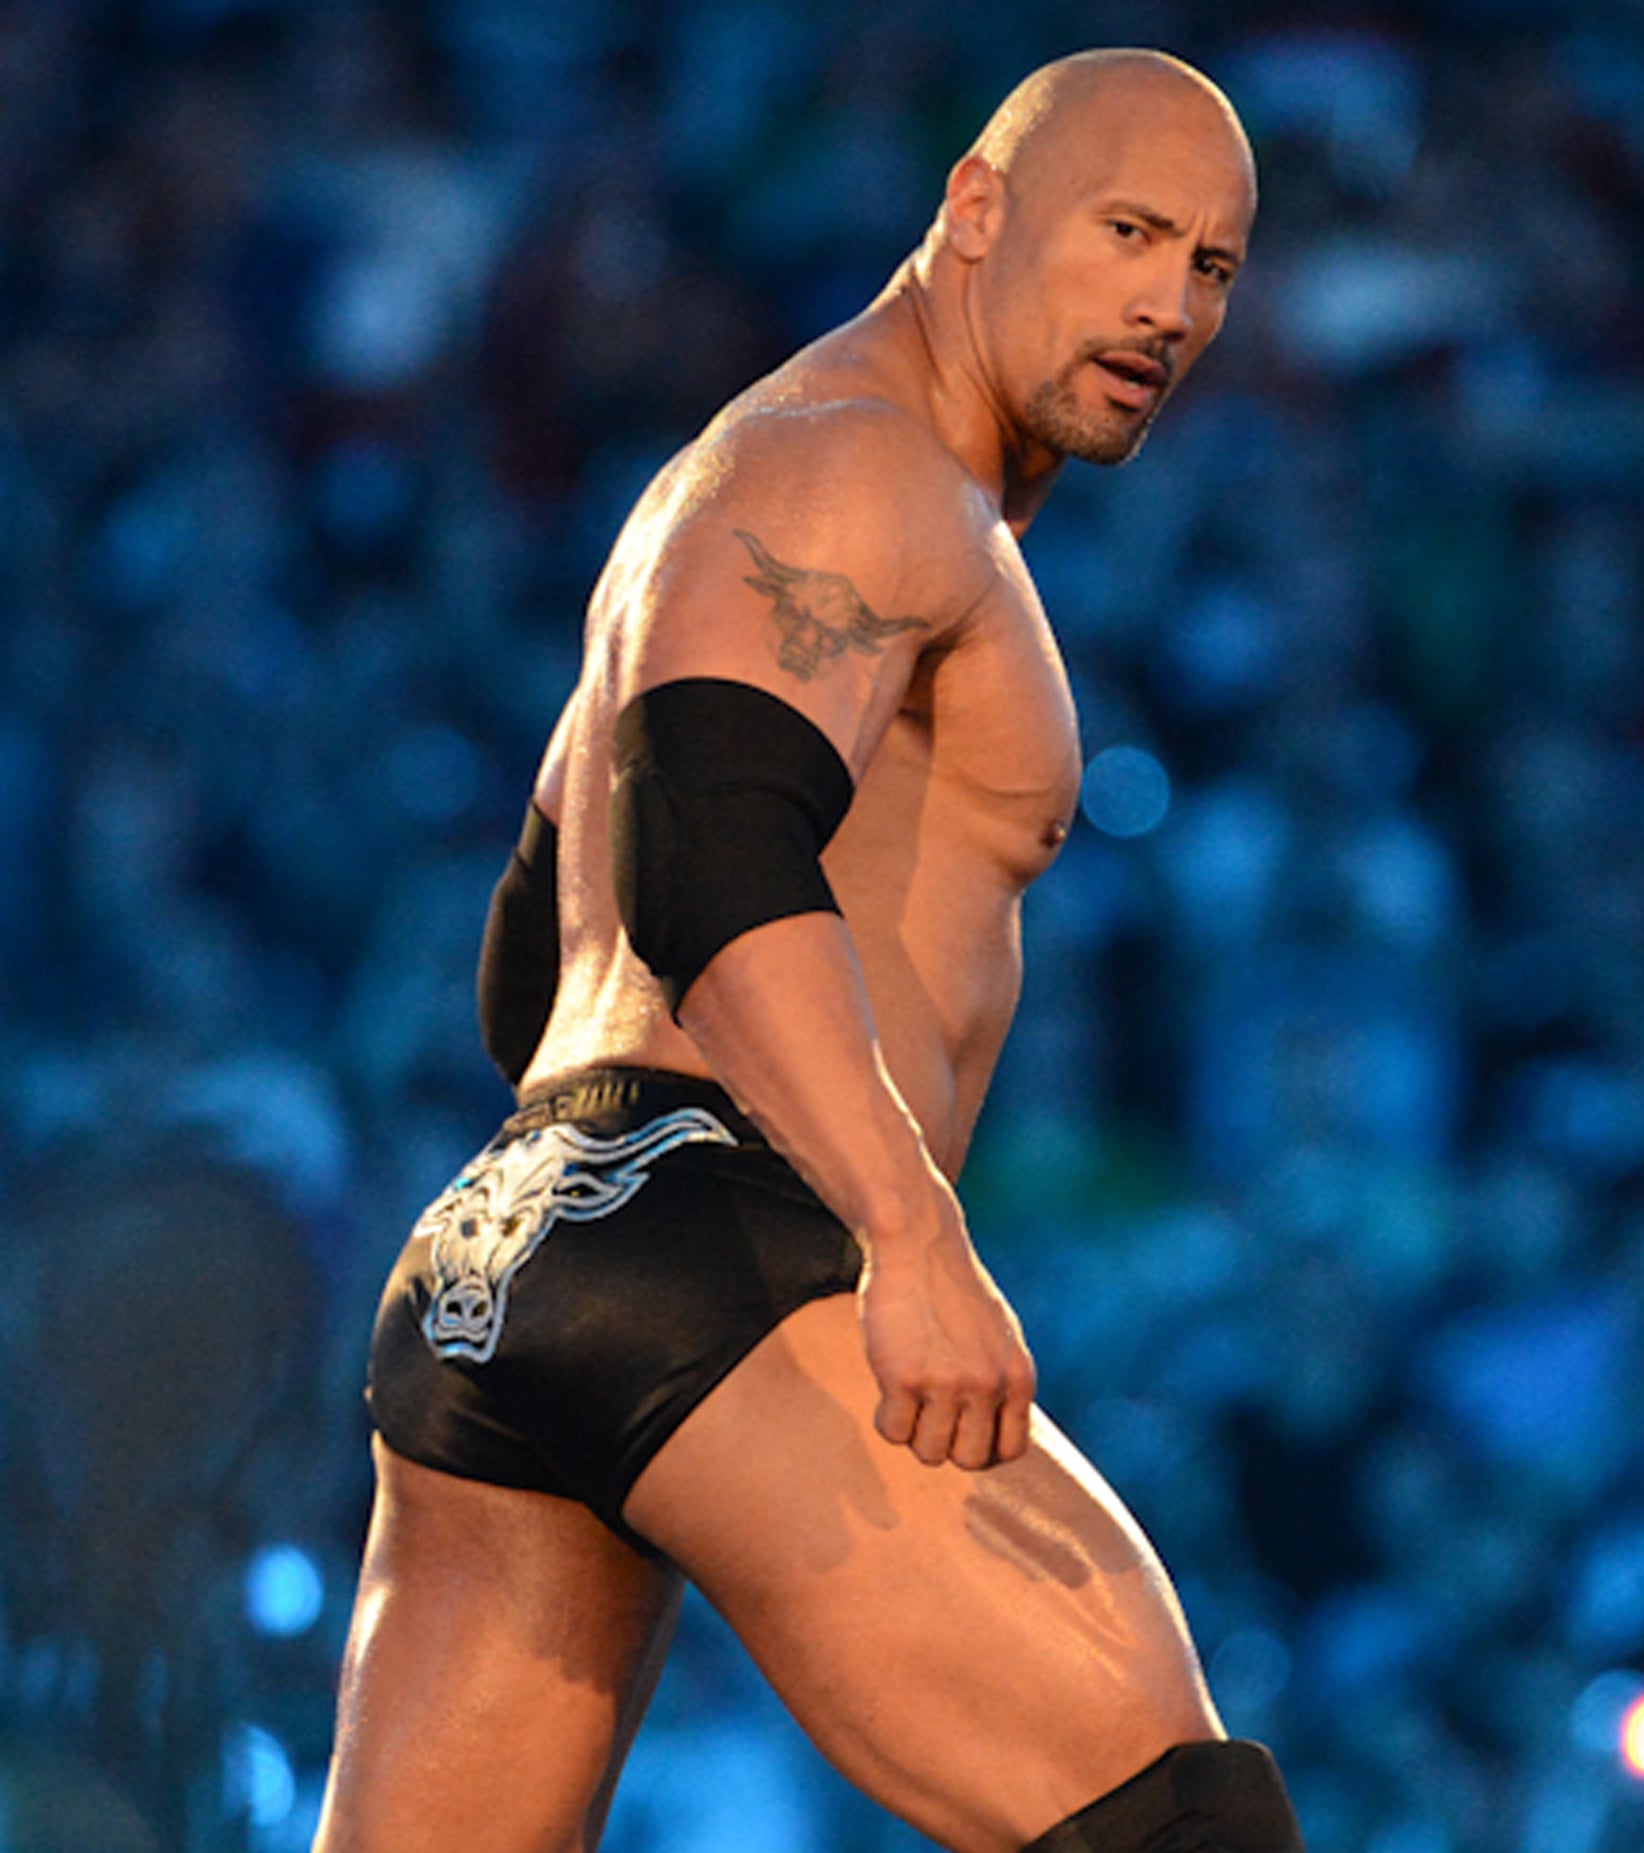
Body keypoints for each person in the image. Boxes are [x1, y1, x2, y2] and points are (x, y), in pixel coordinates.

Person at [315, 47, 1302, 1853]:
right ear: (976, 208)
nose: (1170, 304)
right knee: (1179, 1829)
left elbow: (531, 964)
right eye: (1131, 231)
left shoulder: (724, 493)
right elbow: (705, 851)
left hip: (503, 1250)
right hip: (731, 1227)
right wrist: (905, 1236)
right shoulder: (862, 462)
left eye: (1213, 266)